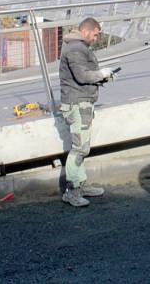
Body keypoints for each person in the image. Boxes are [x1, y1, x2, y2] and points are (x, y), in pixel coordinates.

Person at [58, 17, 116, 207]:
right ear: (86, 31)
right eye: (96, 34)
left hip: (81, 102)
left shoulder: (77, 47)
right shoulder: (75, 49)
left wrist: (102, 78)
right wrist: (101, 74)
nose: (96, 38)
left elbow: (83, 75)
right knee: (79, 148)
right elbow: (82, 76)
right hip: (77, 103)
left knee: (82, 147)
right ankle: (72, 191)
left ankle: (80, 185)